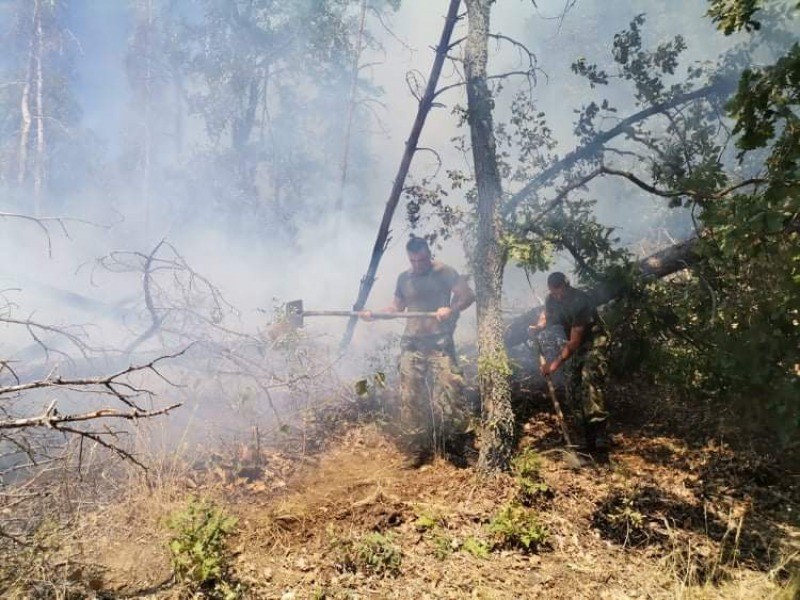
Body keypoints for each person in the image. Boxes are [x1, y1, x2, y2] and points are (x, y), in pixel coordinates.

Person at [361, 237, 475, 467]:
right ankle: (417, 450)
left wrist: (450, 309)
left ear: (429, 254)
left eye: (422, 259)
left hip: (439, 343)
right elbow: (396, 308)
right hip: (412, 344)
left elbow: (467, 296)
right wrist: (374, 315)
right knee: (410, 398)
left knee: (450, 394)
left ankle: (458, 448)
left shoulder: (445, 272)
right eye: (413, 260)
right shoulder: (404, 278)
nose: (418, 264)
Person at [528, 272, 611, 450]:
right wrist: (538, 326)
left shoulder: (580, 300)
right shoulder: (551, 299)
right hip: (575, 345)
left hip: (593, 342)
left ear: (567, 285)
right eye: (554, 292)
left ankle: (600, 434)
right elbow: (547, 314)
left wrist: (553, 365)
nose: (557, 296)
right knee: (572, 386)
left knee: (588, 380)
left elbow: (574, 341)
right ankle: (585, 435)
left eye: (560, 292)